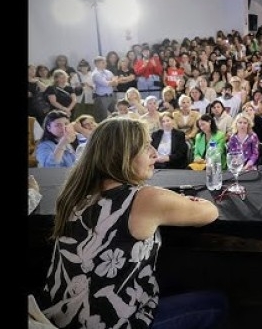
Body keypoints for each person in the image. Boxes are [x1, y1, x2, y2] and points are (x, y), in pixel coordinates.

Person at [37, 117, 227, 328]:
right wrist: (185, 201)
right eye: (145, 146)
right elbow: (210, 212)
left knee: (174, 279)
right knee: (217, 303)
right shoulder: (146, 199)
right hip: (109, 322)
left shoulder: (74, 192)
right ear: (122, 156)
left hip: (58, 317)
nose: (154, 153)